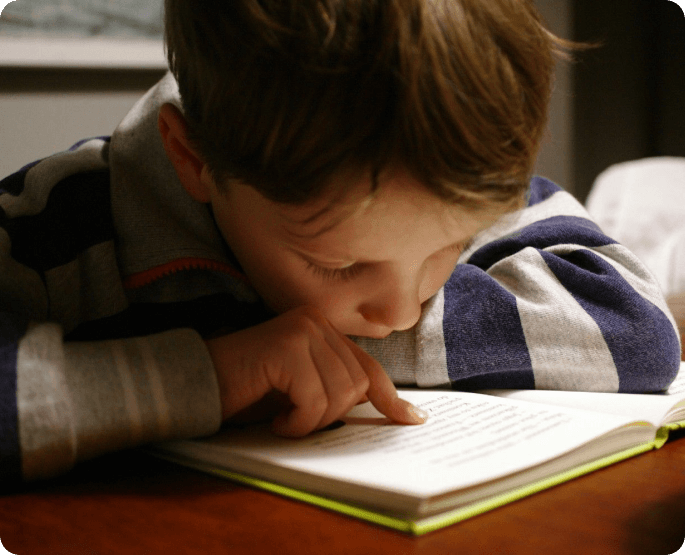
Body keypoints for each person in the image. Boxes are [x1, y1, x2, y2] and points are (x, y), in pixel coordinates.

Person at [0, 0, 680, 486]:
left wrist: (335, 348)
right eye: (338, 262)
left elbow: (635, 328)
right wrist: (208, 371)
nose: (403, 311)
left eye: (452, 244)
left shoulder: (447, 168)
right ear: (193, 159)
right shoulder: (50, 226)